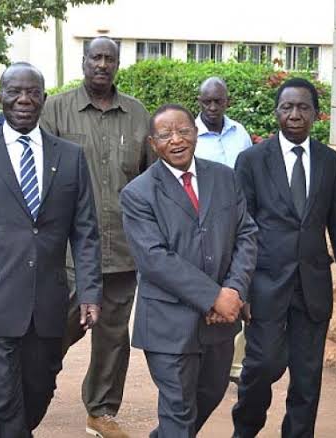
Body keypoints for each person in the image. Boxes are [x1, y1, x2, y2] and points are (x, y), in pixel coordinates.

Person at [0, 62, 102, 438]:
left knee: (38, 389)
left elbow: (86, 233)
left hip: (47, 302)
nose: (24, 100)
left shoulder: (70, 157)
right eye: (14, 92)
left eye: (32, 92)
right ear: (0, 99)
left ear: (44, 99)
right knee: (1, 400)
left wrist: (91, 291)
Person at [232, 78, 336, 437]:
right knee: (261, 365)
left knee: (307, 379)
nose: (295, 114)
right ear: (277, 112)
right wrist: (238, 288)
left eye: (303, 107)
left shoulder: (330, 161)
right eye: (287, 107)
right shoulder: (251, 161)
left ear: (315, 114)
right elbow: (238, 230)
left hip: (312, 286)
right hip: (264, 285)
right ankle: (245, 428)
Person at [120, 103, 257, 437]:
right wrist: (212, 297)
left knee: (206, 400)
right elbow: (154, 259)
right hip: (169, 327)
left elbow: (247, 235)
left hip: (220, 325)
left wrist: (234, 292)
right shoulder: (137, 194)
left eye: (183, 130)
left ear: (195, 133)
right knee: (179, 413)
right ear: (153, 144)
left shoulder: (224, 177)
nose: (176, 139)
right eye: (165, 134)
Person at [40, 35, 152, 437]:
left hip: (124, 250)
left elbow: (152, 181)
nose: (102, 64)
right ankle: (33, 388)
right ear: (84, 61)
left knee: (113, 338)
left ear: (118, 64)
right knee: (54, 329)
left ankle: (101, 410)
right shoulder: (55, 111)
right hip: (69, 254)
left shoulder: (139, 116)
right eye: (96, 57)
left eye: (110, 59)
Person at [194, 76, 253, 383]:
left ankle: (234, 364)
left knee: (238, 284)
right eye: (207, 101)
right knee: (209, 287)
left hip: (237, 220)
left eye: (219, 101)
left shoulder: (239, 133)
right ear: (199, 102)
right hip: (203, 225)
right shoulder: (190, 136)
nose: (213, 107)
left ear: (227, 101)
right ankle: (203, 354)